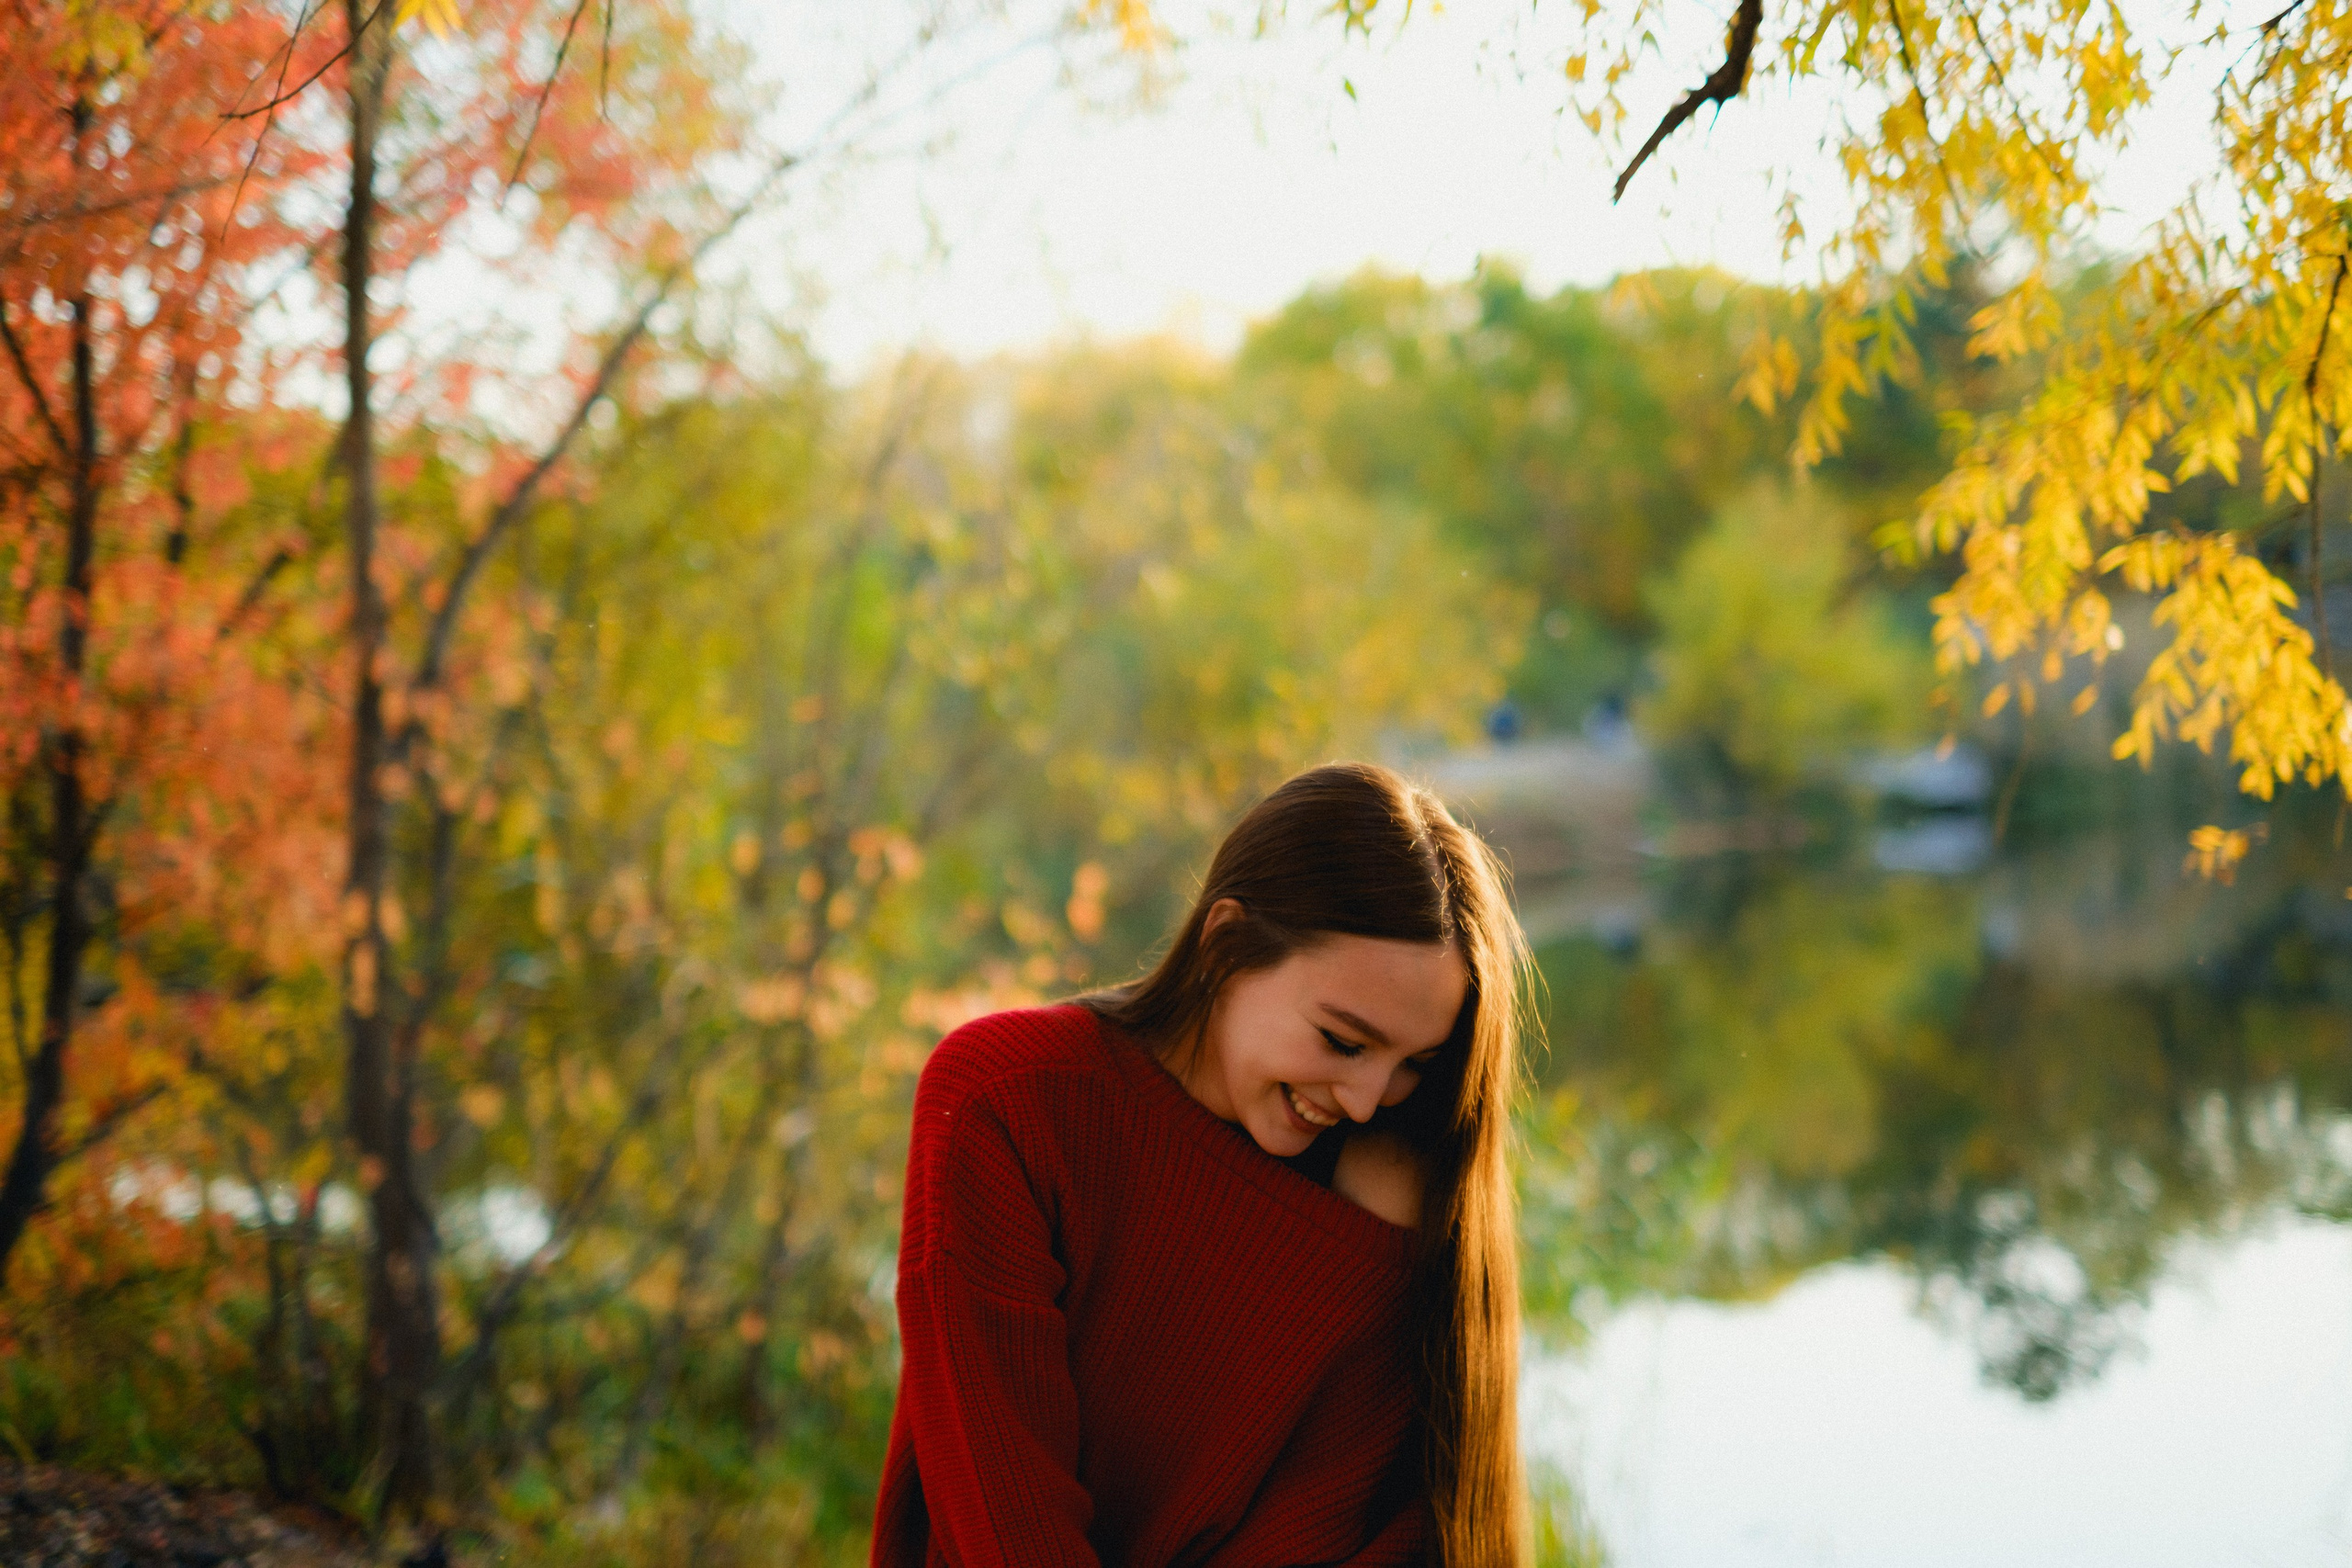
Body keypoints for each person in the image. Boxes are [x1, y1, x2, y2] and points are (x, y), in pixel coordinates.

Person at [871, 761, 1532, 1568]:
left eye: (1412, 1064)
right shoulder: (1008, 1101)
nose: (1367, 1098)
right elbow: (1004, 1516)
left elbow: (1385, 1530)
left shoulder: (1393, 1176)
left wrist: (1371, 1238)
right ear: (1224, 944)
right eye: (1344, 1040)